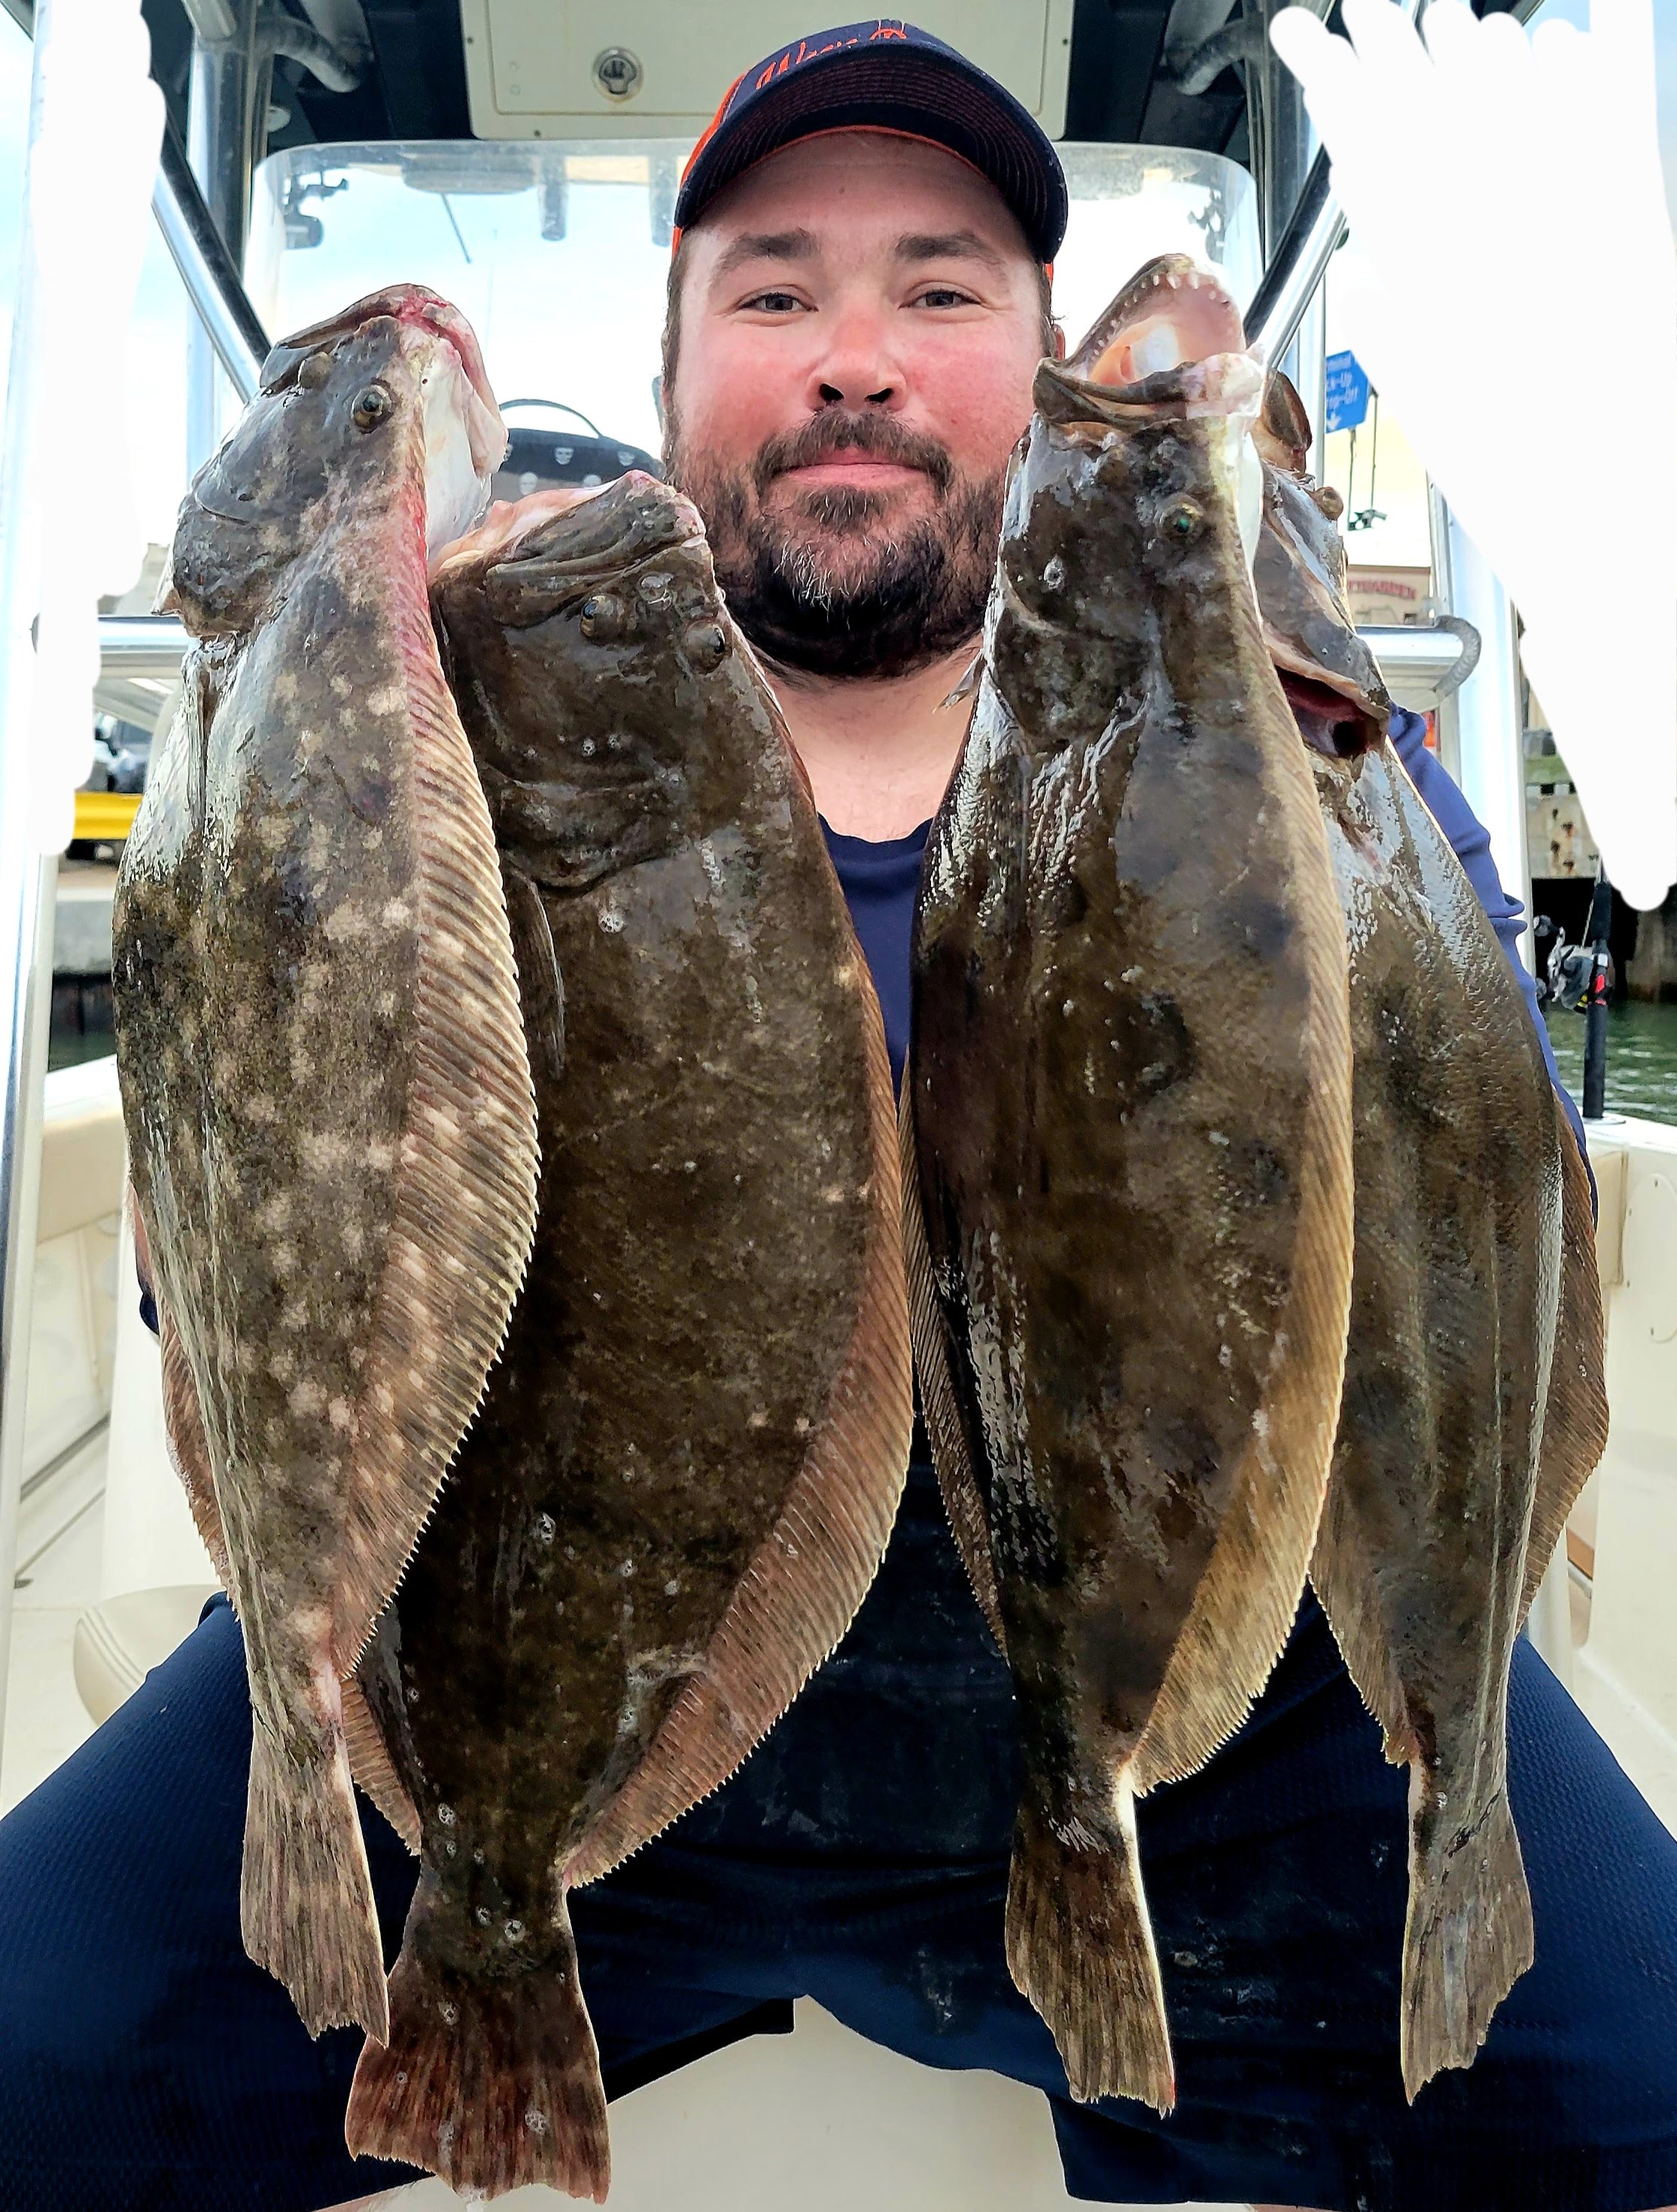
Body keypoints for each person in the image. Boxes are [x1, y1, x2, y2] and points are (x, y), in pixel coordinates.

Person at [4, 22, 1675, 2212]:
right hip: (543, 1640)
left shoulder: (1301, 760)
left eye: (945, 288)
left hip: (1183, 1701)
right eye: (774, 292)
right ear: (676, 367)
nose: (855, 357)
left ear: (1036, 359)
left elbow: (1462, 1239)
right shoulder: (440, 723)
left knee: (1633, 2091)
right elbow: (249, 1226)